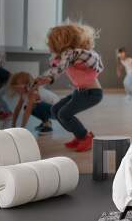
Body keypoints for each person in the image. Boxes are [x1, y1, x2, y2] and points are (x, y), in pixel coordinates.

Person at [35, 23, 104, 152]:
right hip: (80, 92)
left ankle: (85, 137)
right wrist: (45, 77)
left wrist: (50, 78)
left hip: (91, 93)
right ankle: (79, 136)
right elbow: (57, 67)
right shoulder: (66, 56)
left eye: (50, 42)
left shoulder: (76, 54)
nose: (48, 45)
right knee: (55, 110)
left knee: (64, 114)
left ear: (60, 42)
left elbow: (59, 68)